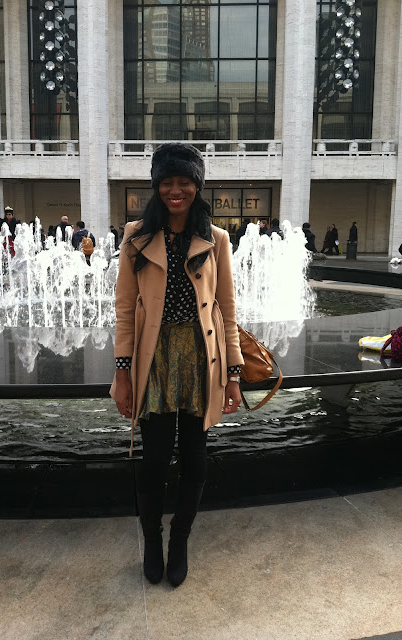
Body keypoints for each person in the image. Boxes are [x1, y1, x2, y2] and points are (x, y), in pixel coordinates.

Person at [110, 143, 243, 588]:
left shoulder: (216, 239)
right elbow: (125, 309)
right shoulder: (136, 235)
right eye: (167, 182)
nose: (175, 191)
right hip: (154, 358)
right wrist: (122, 373)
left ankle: (180, 540)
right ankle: (152, 540)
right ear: (156, 186)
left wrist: (234, 375)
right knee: (153, 460)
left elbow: (226, 308)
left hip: (202, 358)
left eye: (184, 182)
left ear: (197, 186)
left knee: (194, 457)